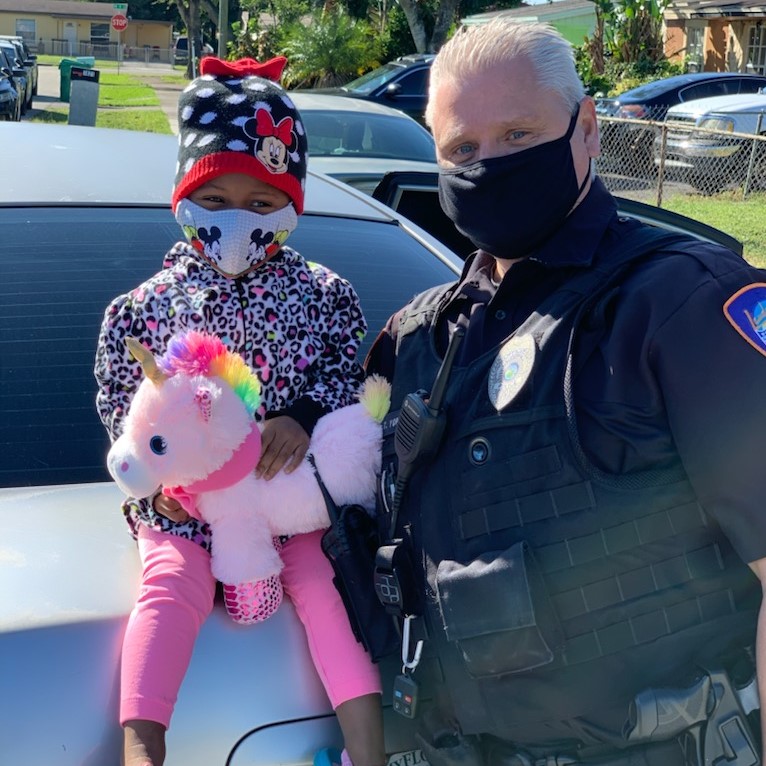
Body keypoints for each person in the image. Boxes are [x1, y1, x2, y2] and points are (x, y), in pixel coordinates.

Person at [364, 19, 766, 766]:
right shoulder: (419, 341)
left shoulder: (680, 306)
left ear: (586, 129)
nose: (488, 166)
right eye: (461, 150)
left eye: (517, 135)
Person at [95, 56, 385, 766]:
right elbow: (122, 410)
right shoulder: (142, 309)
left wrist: (303, 417)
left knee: (327, 589)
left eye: (261, 204)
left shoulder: (326, 294)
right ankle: (142, 747)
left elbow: (344, 380)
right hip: (187, 512)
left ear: (292, 203)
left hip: (291, 509)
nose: (236, 219)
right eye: (215, 197)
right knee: (168, 586)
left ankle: (373, 752)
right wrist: (171, 487)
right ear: (183, 194)